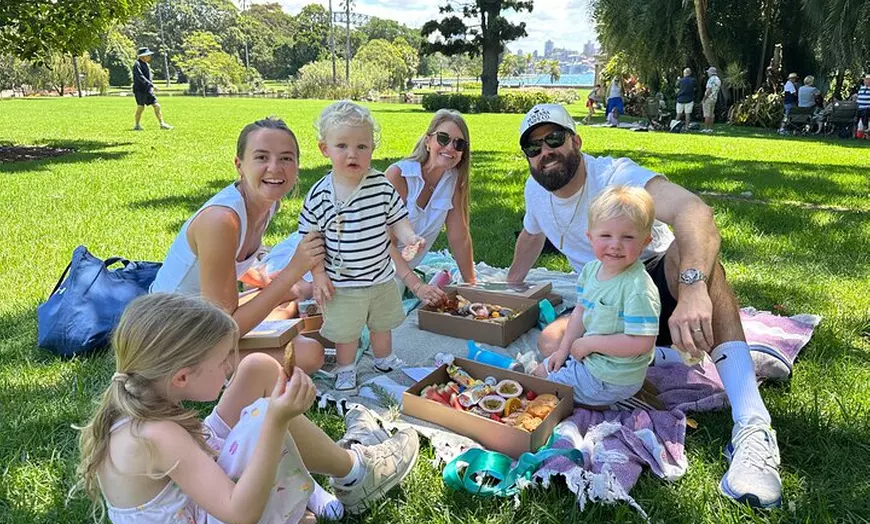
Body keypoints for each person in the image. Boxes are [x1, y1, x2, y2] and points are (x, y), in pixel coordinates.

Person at [508, 103, 782, 509]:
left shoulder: (615, 176)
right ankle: (680, 356)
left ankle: (753, 425)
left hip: (646, 277)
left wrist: (691, 289)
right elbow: (531, 236)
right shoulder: (537, 190)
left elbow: (694, 211)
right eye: (534, 147)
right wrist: (510, 284)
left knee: (699, 265)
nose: (545, 152)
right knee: (552, 343)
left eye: (554, 139)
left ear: (576, 141)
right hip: (601, 298)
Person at [73, 293, 420, 523]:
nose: (229, 366)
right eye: (223, 360)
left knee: (258, 369)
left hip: (196, 503)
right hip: (221, 512)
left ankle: (346, 471)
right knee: (261, 417)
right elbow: (240, 513)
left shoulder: (141, 398)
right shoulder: (157, 435)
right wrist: (276, 420)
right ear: (181, 378)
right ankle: (354, 475)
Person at [150, 117, 325, 374]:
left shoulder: (266, 203)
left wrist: (267, 278)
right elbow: (225, 330)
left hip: (206, 319)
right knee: (310, 353)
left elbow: (228, 267)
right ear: (239, 165)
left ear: (297, 165)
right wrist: (293, 271)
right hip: (172, 340)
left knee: (289, 297)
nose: (275, 168)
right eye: (262, 157)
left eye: (286, 158)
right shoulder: (221, 221)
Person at [299, 101, 426, 392]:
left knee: (382, 324)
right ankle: (346, 367)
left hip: (381, 276)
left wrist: (410, 238)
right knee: (346, 331)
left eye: (362, 146)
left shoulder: (381, 185)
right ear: (324, 149)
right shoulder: (319, 194)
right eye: (342, 146)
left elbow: (398, 219)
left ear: (372, 149)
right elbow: (311, 240)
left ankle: (384, 358)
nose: (352, 154)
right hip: (342, 282)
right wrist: (318, 275)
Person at [533, 186, 660, 407]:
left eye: (628, 237)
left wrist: (590, 343)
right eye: (606, 235)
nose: (615, 245)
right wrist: (563, 351)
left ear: (645, 242)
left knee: (539, 389)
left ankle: (619, 401)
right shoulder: (592, 270)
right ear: (590, 238)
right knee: (541, 370)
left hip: (611, 377)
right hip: (592, 360)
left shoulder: (637, 288)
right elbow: (581, 311)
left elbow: (642, 342)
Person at [385, 109, 476, 308]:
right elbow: (384, 245)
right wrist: (417, 286)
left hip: (402, 272)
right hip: (374, 266)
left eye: (459, 144)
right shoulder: (398, 176)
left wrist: (472, 286)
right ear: (428, 141)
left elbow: (459, 238)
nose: (450, 148)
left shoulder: (452, 181)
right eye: (443, 138)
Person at [132, 47, 172, 131]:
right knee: (141, 107)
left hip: (148, 90)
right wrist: (152, 85)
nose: (150, 57)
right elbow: (140, 77)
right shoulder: (137, 64)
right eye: (148, 55)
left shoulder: (146, 64)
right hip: (140, 90)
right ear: (143, 56)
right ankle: (137, 125)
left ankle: (162, 124)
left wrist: (151, 86)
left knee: (157, 106)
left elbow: (148, 77)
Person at [701, 67, 721, 134]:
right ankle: (710, 128)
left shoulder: (710, 79)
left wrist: (704, 98)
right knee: (712, 114)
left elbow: (709, 90)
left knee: (707, 114)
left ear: (711, 73)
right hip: (714, 98)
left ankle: (706, 128)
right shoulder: (718, 80)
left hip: (708, 98)